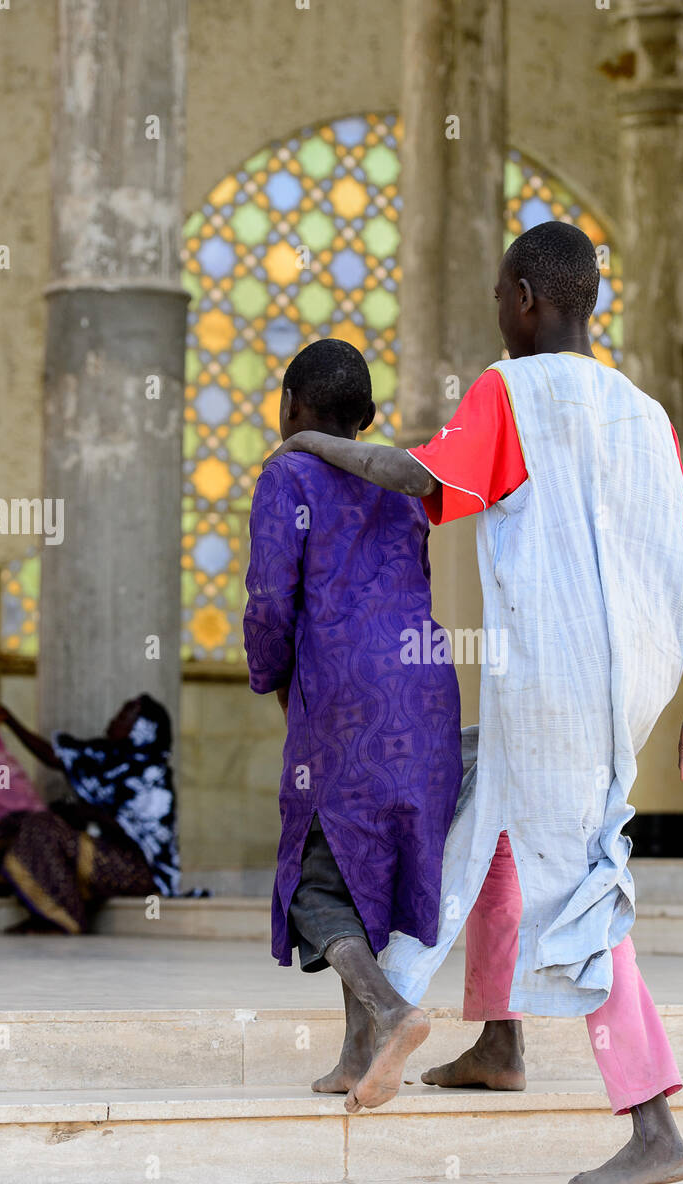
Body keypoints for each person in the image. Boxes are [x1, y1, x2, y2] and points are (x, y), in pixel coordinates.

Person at [282, 221, 683, 1184]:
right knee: (479, 814)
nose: (495, 309)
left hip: (554, 682)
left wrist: (315, 444)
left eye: (497, 293)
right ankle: (488, 1038)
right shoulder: (648, 415)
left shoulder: (511, 390)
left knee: (586, 889)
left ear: (526, 297)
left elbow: (421, 477)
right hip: (626, 687)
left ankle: (654, 1124)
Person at [243, 338, 462, 1113]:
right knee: (361, 869)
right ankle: (354, 1054)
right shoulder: (398, 487)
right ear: (365, 419)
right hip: (426, 694)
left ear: (291, 408)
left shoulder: (287, 474)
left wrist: (271, 677)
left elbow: (271, 602)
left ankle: (393, 1013)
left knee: (311, 877)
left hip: (345, 693)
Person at [0, 690, 178, 934]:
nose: (114, 719)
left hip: (138, 872)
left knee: (41, 829)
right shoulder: (106, 758)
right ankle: (39, 906)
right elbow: (54, 755)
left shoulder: (152, 776)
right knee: (17, 824)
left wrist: (86, 814)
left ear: (141, 728)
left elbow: (139, 835)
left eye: (124, 716)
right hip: (103, 856)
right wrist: (9, 720)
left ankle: (63, 918)